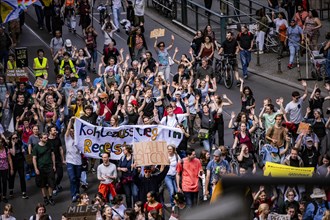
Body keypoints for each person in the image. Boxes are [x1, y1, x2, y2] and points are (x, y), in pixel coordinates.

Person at [32, 133, 56, 206]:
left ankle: (50, 197)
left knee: (51, 183)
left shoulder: (49, 145)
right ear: (41, 139)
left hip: (49, 167)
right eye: (45, 138)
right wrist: (36, 168)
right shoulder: (36, 147)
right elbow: (34, 158)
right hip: (41, 168)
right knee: (43, 184)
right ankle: (45, 198)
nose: (46, 139)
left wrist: (54, 165)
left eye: (46, 137)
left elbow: (52, 154)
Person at [65, 117, 82, 202]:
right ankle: (73, 194)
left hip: (78, 161)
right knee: (72, 178)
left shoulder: (79, 140)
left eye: (73, 131)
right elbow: (68, 129)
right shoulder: (67, 139)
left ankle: (77, 192)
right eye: (70, 131)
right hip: (70, 161)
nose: (71, 132)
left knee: (78, 178)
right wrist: (71, 121)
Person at [8, 133, 29, 200]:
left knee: (22, 176)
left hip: (20, 161)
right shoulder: (10, 145)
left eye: (16, 137)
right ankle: (11, 191)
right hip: (13, 163)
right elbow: (13, 154)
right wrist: (13, 145)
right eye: (13, 138)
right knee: (12, 177)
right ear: (11, 139)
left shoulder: (20, 142)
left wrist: (23, 150)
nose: (15, 139)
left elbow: (22, 149)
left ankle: (24, 192)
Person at [47, 126, 65, 195]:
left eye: (55, 130)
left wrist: (63, 159)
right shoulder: (47, 141)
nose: (55, 131)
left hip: (58, 159)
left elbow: (60, 149)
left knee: (60, 174)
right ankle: (54, 188)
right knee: (52, 176)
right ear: (50, 132)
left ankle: (57, 184)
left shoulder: (58, 139)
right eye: (54, 130)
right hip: (50, 161)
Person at [0, 138, 13, 203]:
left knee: (4, 182)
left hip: (5, 168)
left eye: (1, 142)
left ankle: (4, 196)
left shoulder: (6, 149)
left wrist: (11, 169)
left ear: (3, 143)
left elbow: (10, 159)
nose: (0, 143)